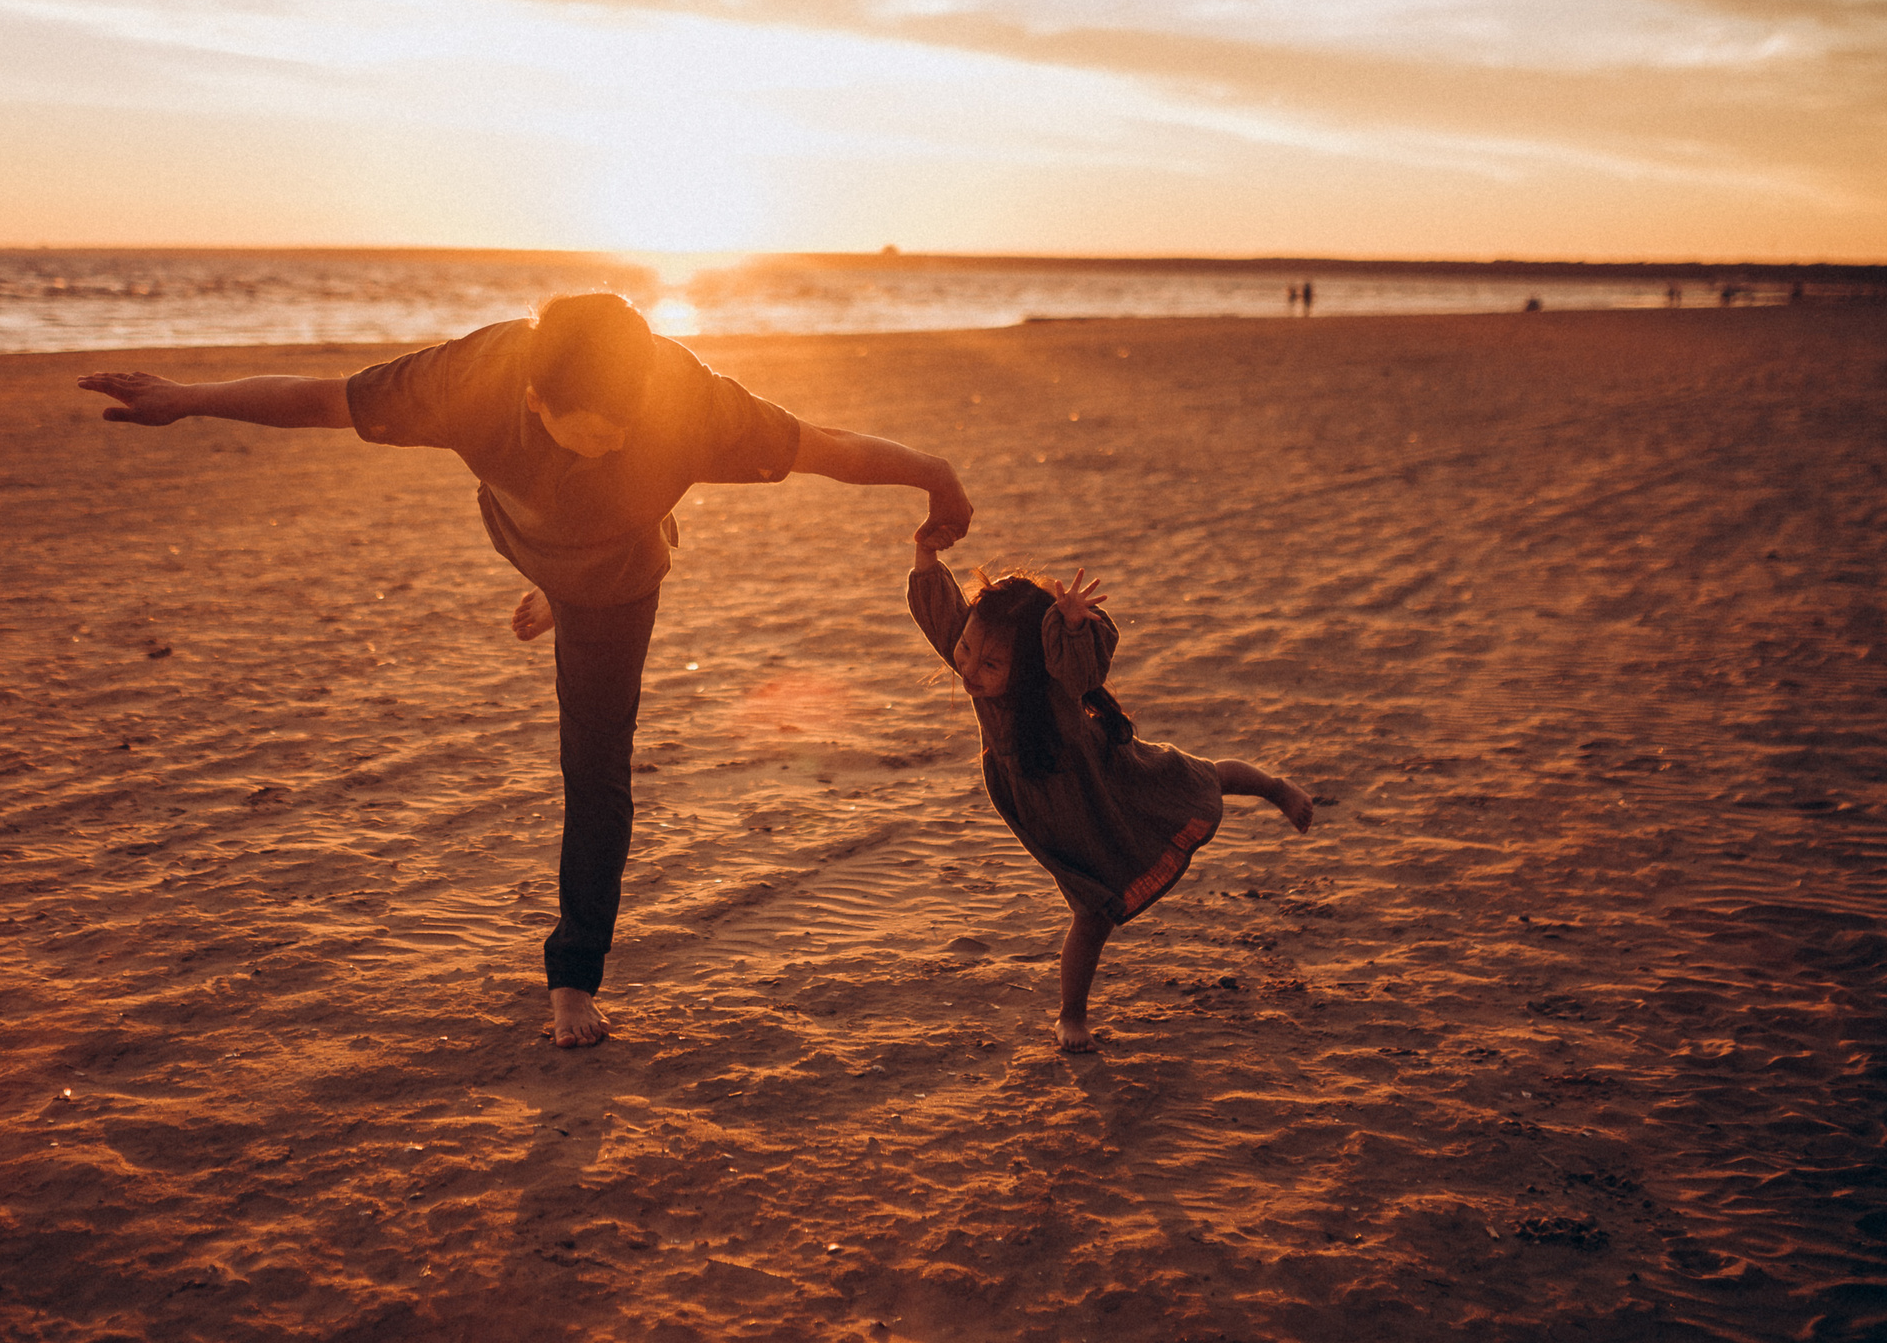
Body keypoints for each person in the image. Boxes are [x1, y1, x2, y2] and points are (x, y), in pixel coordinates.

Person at [79, 293, 971, 1049]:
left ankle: (573, 975)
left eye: (624, 431)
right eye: (591, 435)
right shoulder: (474, 379)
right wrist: (187, 399)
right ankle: (560, 581)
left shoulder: (689, 404)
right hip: (524, 531)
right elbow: (325, 400)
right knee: (564, 536)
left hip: (620, 576)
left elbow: (826, 447)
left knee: (595, 764)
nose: (609, 444)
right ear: (535, 398)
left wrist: (933, 473)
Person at [906, 544, 1312, 1052]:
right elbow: (940, 611)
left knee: (1201, 779)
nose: (968, 670)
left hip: (1109, 776)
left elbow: (1081, 670)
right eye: (966, 651)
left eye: (990, 664)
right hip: (1058, 814)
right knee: (1091, 909)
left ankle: (1274, 787)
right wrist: (925, 548)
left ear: (1031, 664)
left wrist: (1073, 627)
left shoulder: (1053, 682)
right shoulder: (976, 660)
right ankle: (1071, 1015)